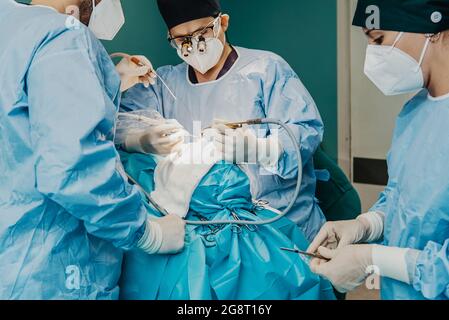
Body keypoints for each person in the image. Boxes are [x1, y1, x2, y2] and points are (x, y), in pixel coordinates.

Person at [0, 0, 185, 300]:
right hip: (50, 272)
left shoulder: (9, 25)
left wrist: (107, 80)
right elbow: (72, 164)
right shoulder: (62, 36)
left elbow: (23, 124)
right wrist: (147, 233)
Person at [120, 0, 326, 241]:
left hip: (281, 228)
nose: (193, 45)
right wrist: (139, 139)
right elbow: (114, 124)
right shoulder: (164, 84)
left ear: (223, 23)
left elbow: (306, 130)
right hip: (208, 233)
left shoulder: (266, 70)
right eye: (182, 40)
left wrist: (262, 150)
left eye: (201, 33)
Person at [308, 0, 449, 300]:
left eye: (380, 40)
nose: (374, 57)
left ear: (432, 29)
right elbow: (404, 202)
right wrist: (365, 226)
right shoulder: (414, 112)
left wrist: (371, 258)